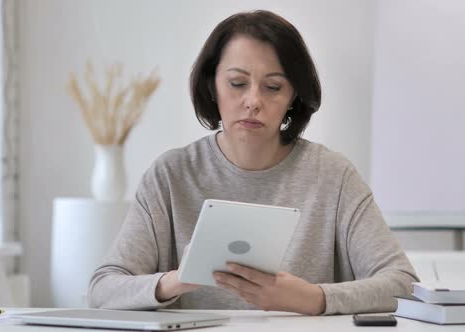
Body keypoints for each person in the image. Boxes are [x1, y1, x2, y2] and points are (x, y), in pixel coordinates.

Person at [88, 10, 418, 315]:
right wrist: (175, 280)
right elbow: (103, 289)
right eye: (237, 83)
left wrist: (314, 299)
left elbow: (403, 284)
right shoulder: (171, 175)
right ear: (212, 86)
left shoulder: (333, 175)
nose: (253, 101)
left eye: (273, 87)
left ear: (293, 98)